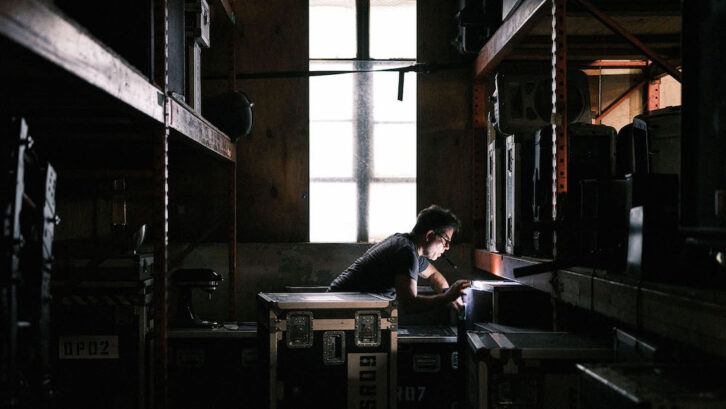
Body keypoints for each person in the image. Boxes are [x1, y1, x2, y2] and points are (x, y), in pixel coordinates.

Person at [328, 204, 471, 312]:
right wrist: (446, 298)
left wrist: (449, 294)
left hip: (341, 304)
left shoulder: (407, 245)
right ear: (429, 235)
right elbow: (409, 304)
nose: (447, 247)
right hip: (338, 309)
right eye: (446, 241)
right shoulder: (406, 252)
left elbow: (434, 275)